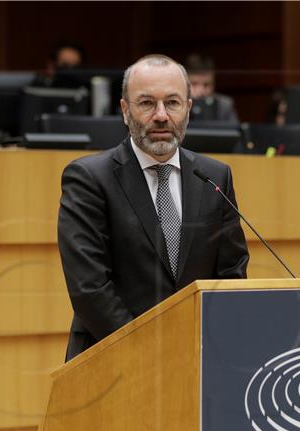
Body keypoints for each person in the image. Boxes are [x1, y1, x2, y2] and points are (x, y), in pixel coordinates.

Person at [57, 54, 250, 361]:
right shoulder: (89, 179)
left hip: (197, 359)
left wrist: (202, 343)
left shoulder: (214, 176)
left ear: (187, 108)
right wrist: (151, 352)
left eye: (172, 103)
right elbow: (90, 289)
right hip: (113, 361)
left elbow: (231, 272)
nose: (161, 115)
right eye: (146, 103)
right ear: (124, 110)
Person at [184, 53, 239, 124]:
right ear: (184, 83)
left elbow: (234, 133)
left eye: (206, 85)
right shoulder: (178, 104)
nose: (201, 91)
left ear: (214, 84)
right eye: (194, 84)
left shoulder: (224, 105)